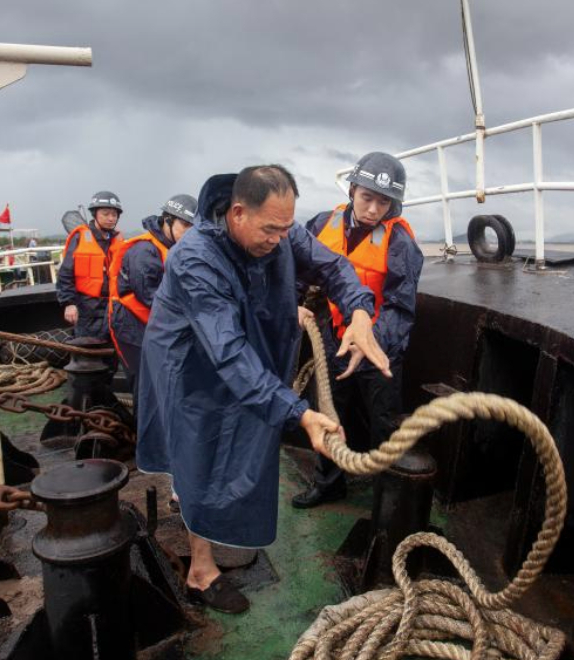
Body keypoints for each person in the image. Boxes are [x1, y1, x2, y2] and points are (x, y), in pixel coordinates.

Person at [136, 165, 391, 613]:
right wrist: (300, 414)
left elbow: (332, 266)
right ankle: (200, 570)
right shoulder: (194, 256)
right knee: (199, 448)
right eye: (271, 230)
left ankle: (208, 516)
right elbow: (228, 353)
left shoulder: (279, 230)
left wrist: (358, 313)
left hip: (239, 345)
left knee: (244, 432)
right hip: (191, 362)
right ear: (237, 213)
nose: (280, 240)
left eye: (286, 229)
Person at [292, 152, 424, 509]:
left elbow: (399, 307)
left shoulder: (401, 244)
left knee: (384, 424)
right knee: (330, 414)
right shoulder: (322, 224)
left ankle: (388, 497)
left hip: (380, 348)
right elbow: (298, 270)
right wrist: (294, 301)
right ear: (352, 190)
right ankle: (329, 484)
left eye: (384, 202)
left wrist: (368, 344)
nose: (373, 209)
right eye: (367, 197)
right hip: (334, 340)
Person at [107, 193, 197, 414]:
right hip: (132, 328)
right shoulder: (144, 252)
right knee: (147, 384)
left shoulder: (175, 249)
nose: (188, 232)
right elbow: (151, 296)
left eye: (192, 227)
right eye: (184, 225)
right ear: (167, 220)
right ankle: (146, 441)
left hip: (154, 325)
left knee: (163, 382)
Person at [56, 190, 124, 340]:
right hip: (87, 307)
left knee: (111, 349)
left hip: (111, 306)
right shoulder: (81, 238)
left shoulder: (116, 240)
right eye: (106, 214)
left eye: (114, 215)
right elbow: (66, 273)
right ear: (95, 214)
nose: (111, 218)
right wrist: (69, 303)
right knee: (89, 352)